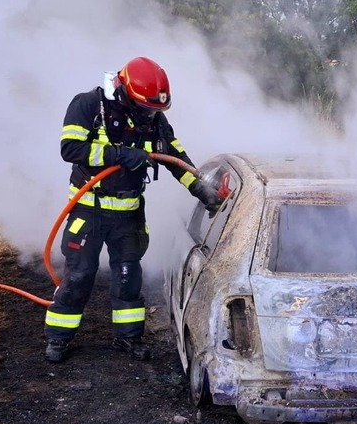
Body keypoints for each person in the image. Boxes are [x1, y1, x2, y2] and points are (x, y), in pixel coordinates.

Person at [44, 57, 223, 363]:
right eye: (146, 109)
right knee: (79, 275)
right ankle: (59, 338)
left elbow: (174, 157)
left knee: (128, 276)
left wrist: (201, 189)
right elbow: (70, 148)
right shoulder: (89, 105)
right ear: (126, 93)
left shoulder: (153, 118)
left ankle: (127, 337)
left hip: (128, 214)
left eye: (156, 110)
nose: (150, 115)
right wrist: (121, 154)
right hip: (89, 210)